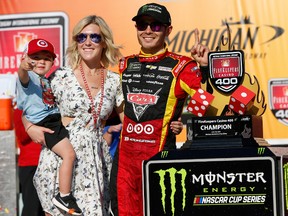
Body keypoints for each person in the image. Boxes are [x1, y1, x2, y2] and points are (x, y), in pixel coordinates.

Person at [113, 3, 210, 215]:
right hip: (125, 166)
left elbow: (206, 99)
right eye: (142, 25)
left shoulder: (182, 66)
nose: (148, 31)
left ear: (168, 30)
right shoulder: (123, 64)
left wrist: (185, 119)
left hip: (160, 161)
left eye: (156, 26)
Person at [22, 15, 124, 216]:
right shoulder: (60, 77)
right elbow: (30, 107)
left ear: (104, 42)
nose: (87, 42)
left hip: (97, 161)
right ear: (76, 43)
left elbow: (127, 122)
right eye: (81, 37)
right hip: (61, 157)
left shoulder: (114, 81)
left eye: (94, 37)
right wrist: (29, 127)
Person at [16, 38, 82, 215]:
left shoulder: (46, 80)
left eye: (46, 58)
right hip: (45, 124)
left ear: (53, 62)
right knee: (69, 154)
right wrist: (23, 66)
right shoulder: (29, 77)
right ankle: (64, 196)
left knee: (69, 154)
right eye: (35, 57)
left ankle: (63, 195)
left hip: (53, 122)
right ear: (26, 58)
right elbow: (22, 75)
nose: (40, 62)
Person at [13, 108, 45, 216]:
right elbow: (22, 136)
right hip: (30, 165)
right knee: (32, 208)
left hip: (49, 164)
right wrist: (40, 120)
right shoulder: (20, 110)